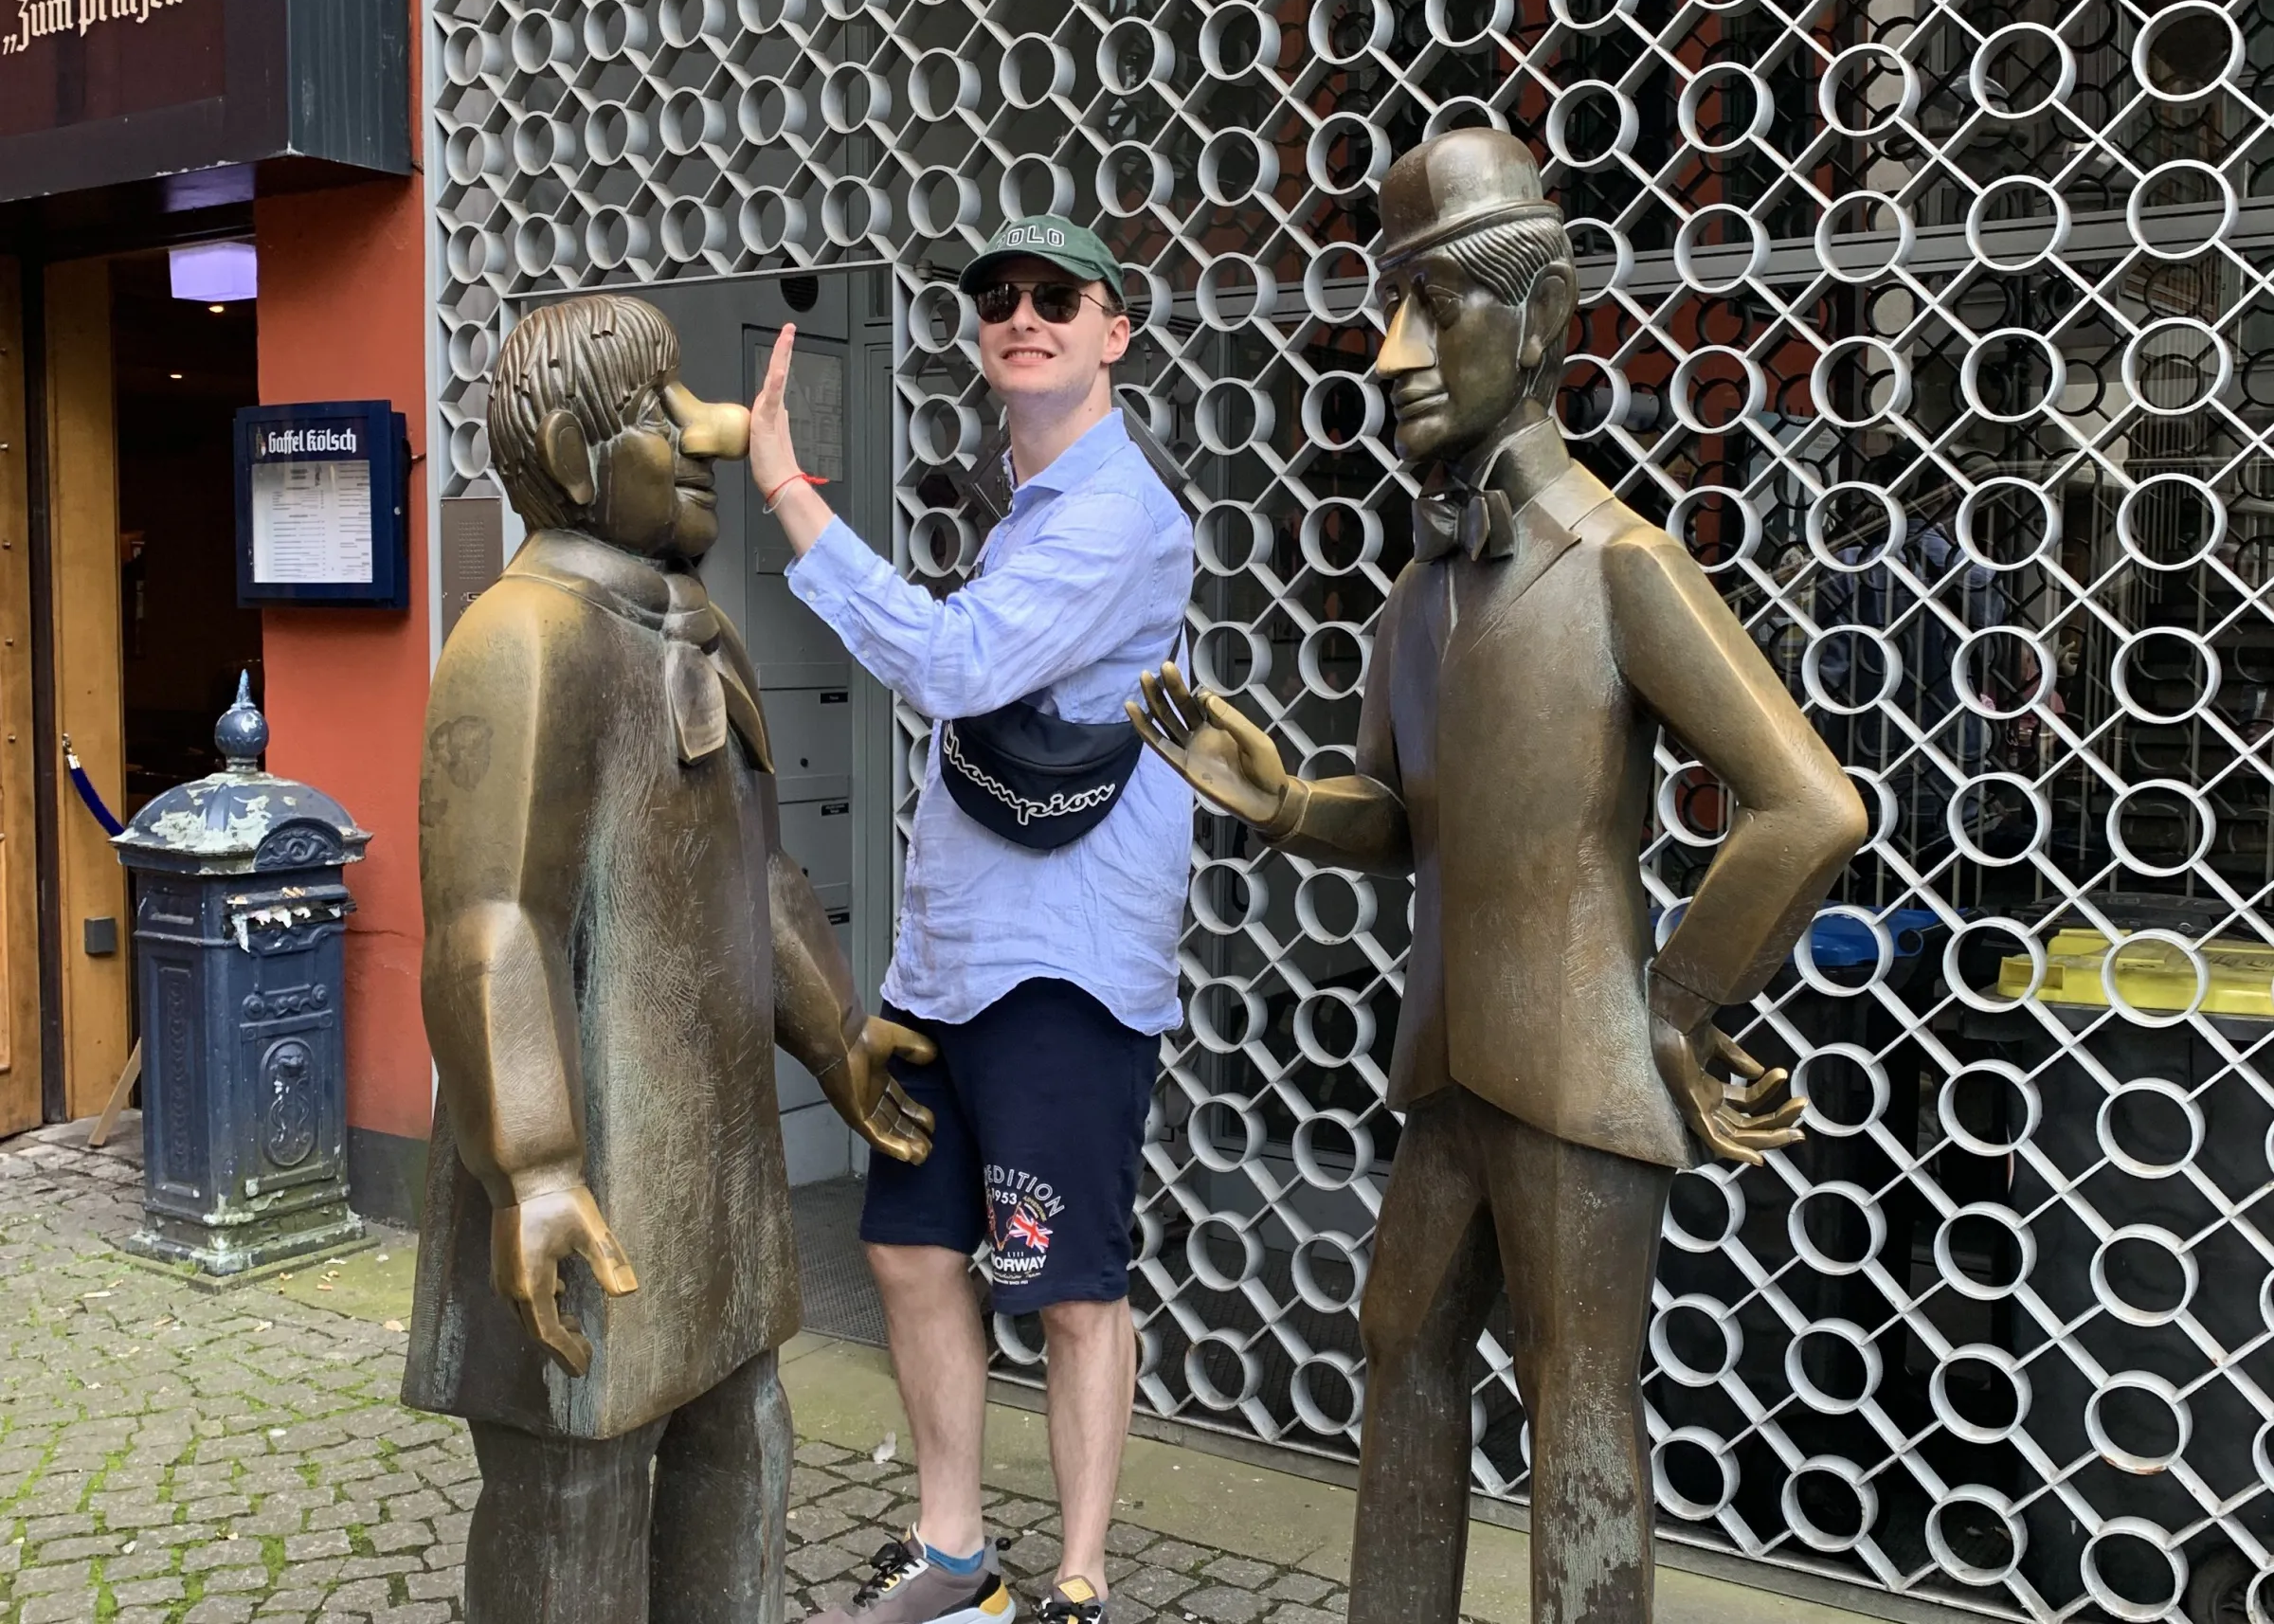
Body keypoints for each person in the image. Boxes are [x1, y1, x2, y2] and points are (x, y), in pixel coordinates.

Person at [1131, 130, 1865, 1624]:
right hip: (1450, 1067)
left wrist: (1674, 1003)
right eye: (1388, 305)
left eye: (1439, 306)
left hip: (1575, 1069)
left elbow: (1810, 808)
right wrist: (1287, 803)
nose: (1392, 351)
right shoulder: (1414, 597)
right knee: (1400, 1339)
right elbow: (1406, 817)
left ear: (1539, 324)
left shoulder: (1623, 567)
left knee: (1576, 1399)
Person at [404, 294, 939, 1624]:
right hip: (588, 1167)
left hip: (709, 1172)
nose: (703, 434)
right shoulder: (523, 638)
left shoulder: (688, 628)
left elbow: (751, 875)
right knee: (573, 1500)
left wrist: (837, 1032)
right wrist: (530, 1163)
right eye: (659, 411)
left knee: (741, 1444)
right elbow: (488, 923)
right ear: (577, 457)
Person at [750, 216, 1195, 1624]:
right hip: (951, 958)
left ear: (1114, 329)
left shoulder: (1122, 519)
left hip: (1064, 962)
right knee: (908, 1243)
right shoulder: (1027, 509)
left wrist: (786, 493)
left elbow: (952, 667)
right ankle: (955, 1555)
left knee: (1065, 1279)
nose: (1023, 314)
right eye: (998, 297)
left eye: (1056, 296)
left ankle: (1077, 1579)